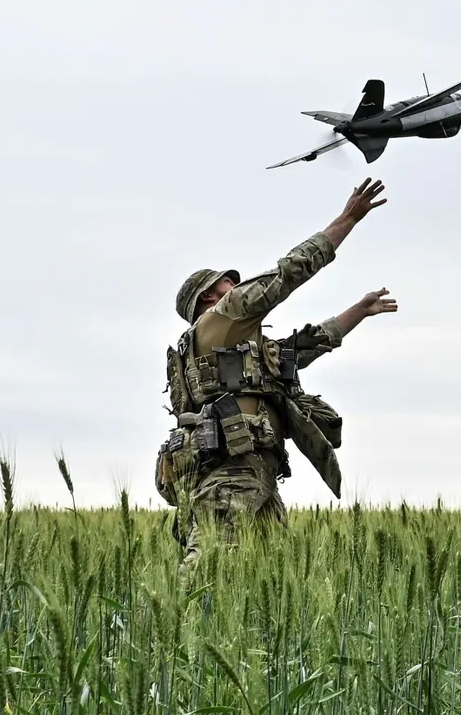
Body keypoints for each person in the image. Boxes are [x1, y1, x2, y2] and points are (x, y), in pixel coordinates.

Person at [156, 178, 393, 576]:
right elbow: (287, 274)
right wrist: (347, 220)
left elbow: (307, 346)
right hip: (233, 471)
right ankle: (165, 633)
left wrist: (360, 309)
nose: (238, 283)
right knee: (207, 565)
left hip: (256, 469)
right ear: (213, 296)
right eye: (227, 282)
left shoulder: (229, 349)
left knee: (271, 576)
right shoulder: (224, 316)